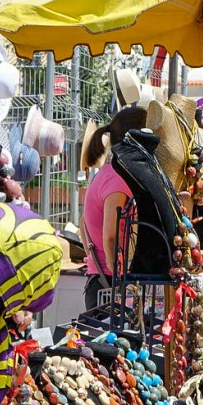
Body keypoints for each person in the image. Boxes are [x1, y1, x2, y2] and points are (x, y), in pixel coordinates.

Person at [81, 105, 147, 309]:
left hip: (100, 282)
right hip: (109, 287)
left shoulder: (107, 173)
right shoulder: (118, 180)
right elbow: (110, 236)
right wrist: (119, 279)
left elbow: (83, 226)